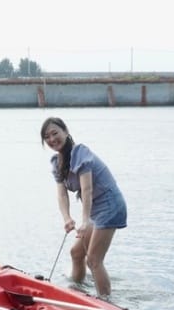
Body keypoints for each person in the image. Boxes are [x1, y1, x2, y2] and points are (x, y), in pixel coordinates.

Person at [40, 116, 127, 296]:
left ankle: (106, 303)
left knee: (93, 260)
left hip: (110, 206)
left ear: (66, 131)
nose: (52, 139)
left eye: (55, 133)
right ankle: (77, 293)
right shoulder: (57, 162)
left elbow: (87, 189)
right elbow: (62, 194)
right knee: (76, 253)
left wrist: (85, 221)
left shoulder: (80, 152)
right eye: (47, 137)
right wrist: (67, 218)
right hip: (94, 209)